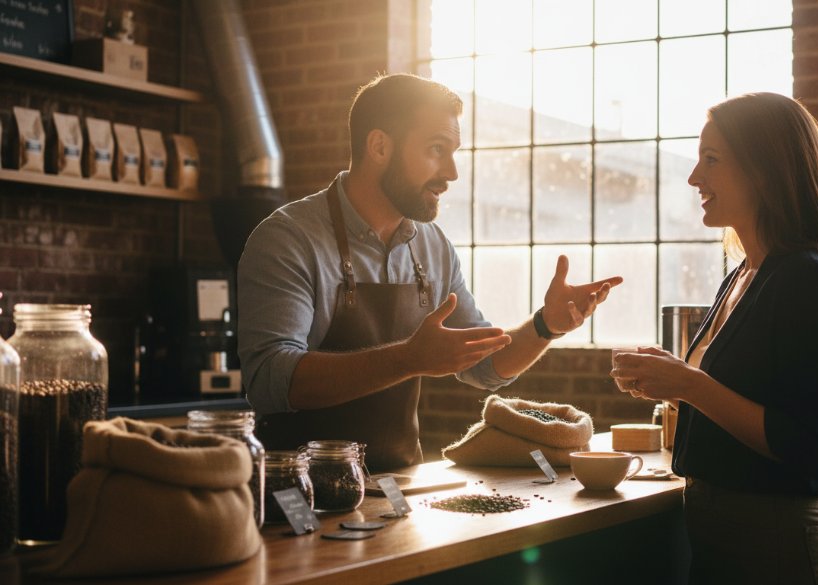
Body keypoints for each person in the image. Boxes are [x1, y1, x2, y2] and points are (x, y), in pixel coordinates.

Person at [238, 73, 622, 471]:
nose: (452, 173)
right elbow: (271, 380)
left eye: (454, 152)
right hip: (299, 490)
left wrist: (546, 326)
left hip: (399, 484)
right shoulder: (289, 239)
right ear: (380, 146)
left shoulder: (432, 245)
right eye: (436, 149)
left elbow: (484, 367)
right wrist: (407, 359)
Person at [610, 92, 818, 585]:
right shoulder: (742, 274)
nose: (694, 178)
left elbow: (814, 446)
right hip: (723, 548)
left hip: (781, 554)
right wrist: (672, 377)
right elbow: (743, 395)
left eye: (711, 160)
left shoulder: (808, 278)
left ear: (765, 170)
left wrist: (689, 384)